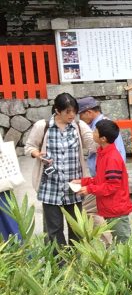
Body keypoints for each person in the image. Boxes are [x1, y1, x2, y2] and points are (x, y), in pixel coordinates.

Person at [23, 93, 97, 246]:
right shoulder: (43, 126)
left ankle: (75, 260)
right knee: (54, 228)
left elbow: (92, 144)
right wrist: (37, 153)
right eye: (67, 112)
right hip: (50, 185)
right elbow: (29, 147)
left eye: (74, 111)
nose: (72, 115)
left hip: (73, 185)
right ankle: (58, 263)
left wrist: (103, 135)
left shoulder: (79, 126)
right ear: (57, 110)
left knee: (76, 227)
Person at [71, 119, 132, 244]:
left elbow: (112, 186)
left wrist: (89, 189)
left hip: (116, 209)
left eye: (95, 131)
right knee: (118, 242)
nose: (93, 133)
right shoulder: (103, 153)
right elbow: (100, 179)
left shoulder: (111, 158)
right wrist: (83, 182)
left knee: (124, 243)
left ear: (103, 138)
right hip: (109, 207)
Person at [77, 96, 126, 173]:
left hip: (107, 172)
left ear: (88, 113)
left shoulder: (102, 126)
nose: (80, 118)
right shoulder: (101, 123)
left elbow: (116, 149)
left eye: (80, 115)